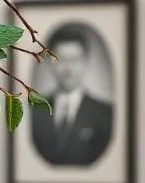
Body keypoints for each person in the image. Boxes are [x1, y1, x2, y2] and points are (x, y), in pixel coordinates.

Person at [32, 24, 113, 166]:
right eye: (60, 59)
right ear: (50, 62)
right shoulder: (34, 111)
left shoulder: (105, 114)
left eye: (75, 59)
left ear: (85, 62)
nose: (68, 68)